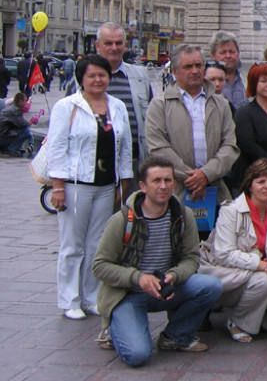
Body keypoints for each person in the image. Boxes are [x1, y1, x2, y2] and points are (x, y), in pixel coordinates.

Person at [92, 157, 223, 367]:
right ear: (143, 186)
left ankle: (175, 337)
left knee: (211, 286)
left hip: (165, 288)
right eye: (156, 181)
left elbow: (191, 258)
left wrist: (174, 275)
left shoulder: (183, 216)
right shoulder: (122, 220)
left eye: (168, 180)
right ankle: (113, 328)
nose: (163, 186)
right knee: (138, 355)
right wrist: (138, 278)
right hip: (127, 293)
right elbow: (99, 266)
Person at [49, 55, 133, 320]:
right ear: (81, 78)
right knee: (72, 245)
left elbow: (125, 147)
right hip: (76, 185)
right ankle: (69, 299)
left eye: (103, 75)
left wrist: (124, 182)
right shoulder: (68, 106)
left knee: (97, 245)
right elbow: (57, 147)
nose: (98, 80)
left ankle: (91, 296)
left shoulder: (116, 106)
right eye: (92, 76)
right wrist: (58, 186)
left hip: (106, 184)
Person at [198, 160, 267, 341]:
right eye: (261, 182)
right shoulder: (231, 210)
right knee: (263, 280)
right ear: (250, 185)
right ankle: (237, 322)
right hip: (233, 277)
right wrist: (261, 265)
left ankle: (253, 318)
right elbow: (224, 253)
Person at [146, 44, 239, 204]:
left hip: (215, 190)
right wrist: (193, 178)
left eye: (198, 65)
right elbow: (158, 148)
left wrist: (206, 174)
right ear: (174, 71)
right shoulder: (160, 105)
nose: (195, 71)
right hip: (175, 193)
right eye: (188, 67)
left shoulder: (221, 104)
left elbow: (230, 146)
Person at [71, 23, 153, 180]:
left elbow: (151, 119)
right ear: (97, 45)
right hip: (93, 164)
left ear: (126, 45)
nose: (114, 48)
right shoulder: (81, 76)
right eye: (108, 43)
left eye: (118, 43)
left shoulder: (140, 75)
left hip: (135, 163)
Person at [230, 63, 267, 196]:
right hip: (249, 178)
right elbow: (247, 144)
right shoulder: (244, 112)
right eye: (263, 81)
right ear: (254, 83)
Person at [209, 31, 247, 111]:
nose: (228, 56)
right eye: (223, 52)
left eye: (232, 52)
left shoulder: (247, 80)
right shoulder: (207, 84)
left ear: (238, 53)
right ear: (213, 55)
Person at [0, 92, 37, 156]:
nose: (26, 102)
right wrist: (31, 121)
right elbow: (23, 124)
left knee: (25, 131)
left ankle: (29, 145)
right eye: (25, 101)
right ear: (20, 101)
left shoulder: (12, 107)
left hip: (3, 133)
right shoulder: (15, 110)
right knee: (26, 131)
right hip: (2, 136)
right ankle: (12, 149)